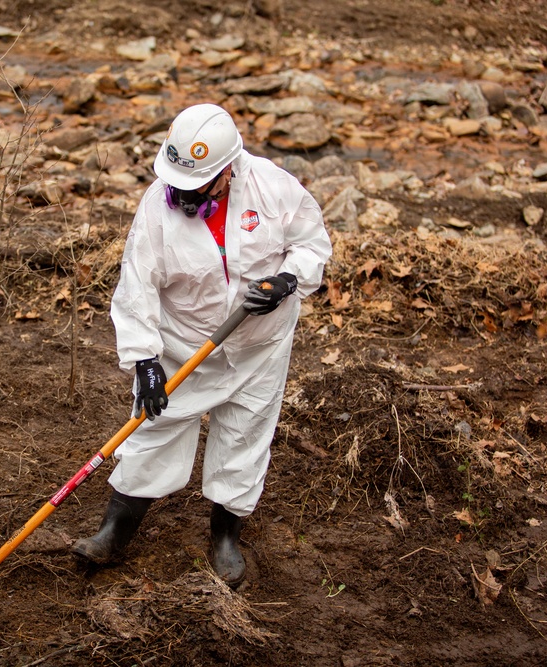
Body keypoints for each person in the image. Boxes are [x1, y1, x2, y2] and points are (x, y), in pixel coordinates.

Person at [72, 103, 332, 587]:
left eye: (196, 186)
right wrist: (145, 360)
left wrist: (286, 280)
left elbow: (312, 244)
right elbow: (137, 285)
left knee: (245, 433)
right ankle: (113, 534)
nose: (183, 195)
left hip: (258, 345)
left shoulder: (273, 187)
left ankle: (225, 538)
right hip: (182, 343)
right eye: (178, 183)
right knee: (154, 428)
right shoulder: (157, 205)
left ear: (228, 170)